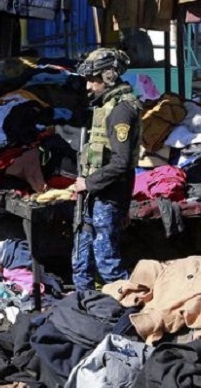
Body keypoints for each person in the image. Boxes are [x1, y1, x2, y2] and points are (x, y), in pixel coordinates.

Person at [71, 48, 142, 291]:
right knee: (82, 259)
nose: (89, 86)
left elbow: (122, 163)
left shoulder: (121, 111)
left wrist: (88, 184)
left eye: (94, 80)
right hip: (96, 195)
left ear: (109, 77)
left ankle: (127, 310)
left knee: (108, 264)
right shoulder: (106, 106)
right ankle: (83, 308)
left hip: (107, 196)